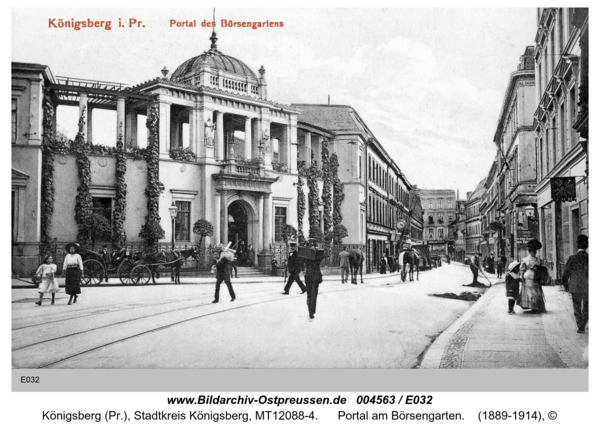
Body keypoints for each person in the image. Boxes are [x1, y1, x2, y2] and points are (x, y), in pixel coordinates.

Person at [562, 234, 589, 333]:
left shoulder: (572, 258)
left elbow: (566, 273)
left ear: (577, 245)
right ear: (587, 245)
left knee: (577, 306)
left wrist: (565, 285)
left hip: (575, 286)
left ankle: (580, 326)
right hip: (588, 286)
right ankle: (584, 323)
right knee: (587, 306)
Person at [518, 239, 546, 313]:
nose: (534, 253)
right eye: (533, 251)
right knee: (532, 293)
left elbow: (541, 269)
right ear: (530, 251)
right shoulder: (525, 260)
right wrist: (522, 278)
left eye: (535, 251)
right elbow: (522, 270)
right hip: (529, 278)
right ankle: (533, 306)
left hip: (535, 278)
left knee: (535, 292)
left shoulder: (538, 260)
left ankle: (535, 306)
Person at [303, 250, 323, 320]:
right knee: (314, 295)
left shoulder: (306, 258)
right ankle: (311, 311)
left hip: (308, 277)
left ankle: (310, 310)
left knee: (309, 295)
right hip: (315, 277)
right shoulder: (317, 258)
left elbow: (301, 259)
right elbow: (322, 256)